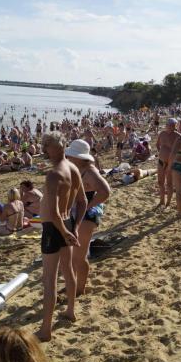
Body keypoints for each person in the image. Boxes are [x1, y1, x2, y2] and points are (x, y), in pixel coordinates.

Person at [37, 132, 87, 342]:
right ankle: (71, 311)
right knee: (68, 270)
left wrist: (66, 231)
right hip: (67, 223)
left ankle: (46, 330)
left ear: (54, 147)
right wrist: (74, 227)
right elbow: (82, 202)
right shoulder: (74, 168)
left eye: (47, 146)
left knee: (49, 279)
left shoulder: (53, 175)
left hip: (54, 227)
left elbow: (54, 211)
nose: (45, 150)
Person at [65, 139, 111, 296]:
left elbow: (105, 191)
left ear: (79, 157)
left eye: (71, 155)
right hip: (78, 211)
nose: (68, 157)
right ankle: (74, 284)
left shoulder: (89, 171)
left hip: (88, 214)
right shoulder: (79, 167)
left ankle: (79, 289)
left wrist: (89, 206)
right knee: (72, 255)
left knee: (79, 255)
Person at [156, 118, 181, 207]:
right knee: (160, 182)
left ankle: (168, 202)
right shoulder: (162, 134)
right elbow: (157, 144)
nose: (170, 126)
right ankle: (162, 200)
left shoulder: (178, 136)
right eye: (169, 125)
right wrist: (161, 153)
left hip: (171, 163)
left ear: (175, 126)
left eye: (172, 125)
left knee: (169, 183)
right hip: (161, 161)